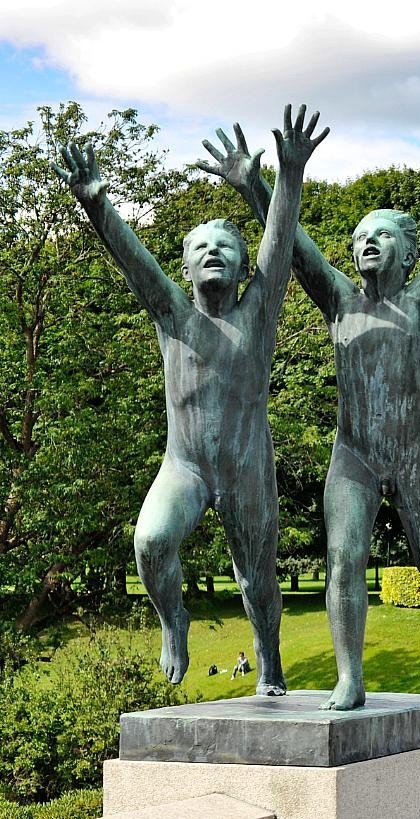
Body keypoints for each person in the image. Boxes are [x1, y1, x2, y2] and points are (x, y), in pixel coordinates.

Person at [206, 105, 420, 709]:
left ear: (407, 253)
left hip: (416, 455)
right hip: (353, 455)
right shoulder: (340, 302)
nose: (367, 243)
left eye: (381, 236)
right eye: (358, 239)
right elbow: (294, 246)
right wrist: (255, 183)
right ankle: (349, 677)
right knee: (343, 557)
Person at [58, 108, 324, 697]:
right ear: (184, 266)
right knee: (151, 541)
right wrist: (96, 201)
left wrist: (288, 175)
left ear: (243, 265)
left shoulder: (258, 312)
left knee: (257, 580)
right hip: (186, 468)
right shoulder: (173, 314)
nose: (213, 252)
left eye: (225, 246)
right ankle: (173, 619)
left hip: (247, 468)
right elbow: (134, 262)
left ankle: (270, 664)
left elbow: (280, 241)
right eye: (201, 247)